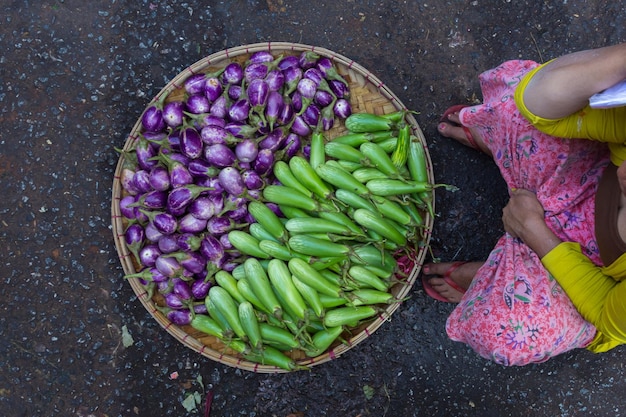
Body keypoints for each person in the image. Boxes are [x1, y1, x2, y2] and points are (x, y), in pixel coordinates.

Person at [421, 43, 626, 366]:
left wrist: (533, 230)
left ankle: (483, 279)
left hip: (595, 274)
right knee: (520, 108)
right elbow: (541, 105)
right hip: (590, 176)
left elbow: (603, 308)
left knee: (507, 333)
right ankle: (501, 150)